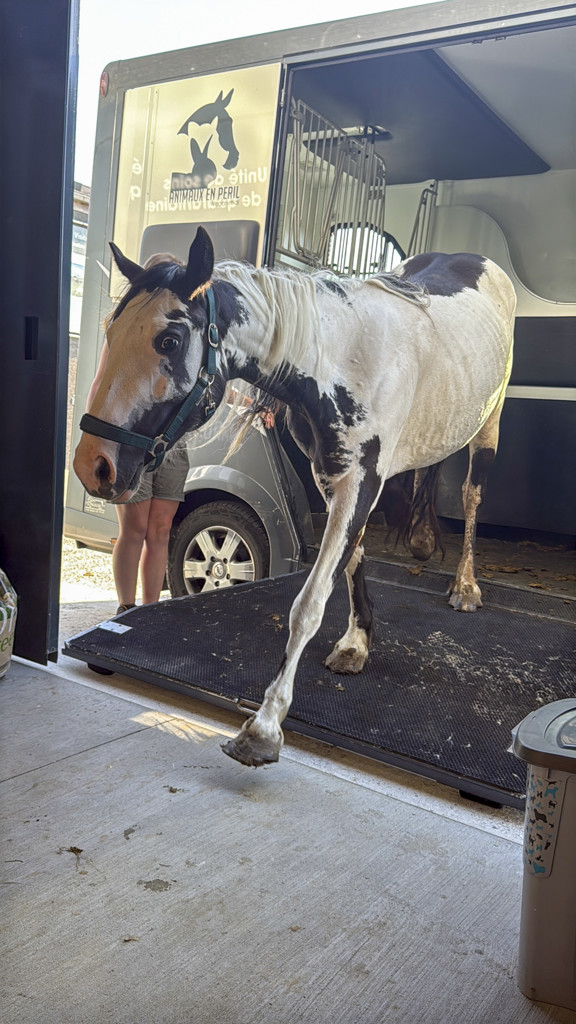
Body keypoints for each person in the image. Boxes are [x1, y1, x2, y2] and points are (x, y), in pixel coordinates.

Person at [86, 328, 188, 617]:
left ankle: (150, 612)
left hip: (173, 445)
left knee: (160, 530)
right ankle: (126, 609)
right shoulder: (124, 323)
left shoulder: (184, 324)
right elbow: (101, 382)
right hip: (131, 442)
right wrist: (96, 438)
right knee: (135, 528)